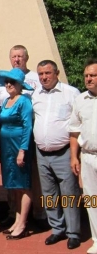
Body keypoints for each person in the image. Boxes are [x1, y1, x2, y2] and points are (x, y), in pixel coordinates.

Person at [0, 45, 46, 229]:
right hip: (7, 143)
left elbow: (28, 122)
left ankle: (35, 216)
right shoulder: (5, 92)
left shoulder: (33, 84)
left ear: (26, 57)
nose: (17, 59)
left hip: (22, 142)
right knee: (12, 181)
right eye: (14, 56)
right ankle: (14, 216)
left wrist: (23, 149)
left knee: (27, 181)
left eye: (20, 56)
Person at [32, 60, 81, 249]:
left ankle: (74, 233)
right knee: (49, 194)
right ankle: (57, 229)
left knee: (69, 194)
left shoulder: (71, 93)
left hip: (64, 152)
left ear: (57, 73)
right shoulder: (36, 94)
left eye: (47, 73)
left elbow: (78, 123)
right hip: (42, 153)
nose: (44, 77)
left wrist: (76, 155)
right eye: (41, 74)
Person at [0, 68, 33, 240]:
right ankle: (16, 220)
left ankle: (23, 223)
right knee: (14, 186)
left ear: (20, 85)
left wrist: (22, 150)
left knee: (23, 185)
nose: (9, 84)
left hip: (18, 146)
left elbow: (28, 127)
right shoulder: (7, 100)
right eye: (7, 82)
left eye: (13, 82)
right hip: (7, 147)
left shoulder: (24, 101)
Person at [69, 58, 97, 254]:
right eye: (86, 75)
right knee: (91, 200)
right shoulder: (79, 100)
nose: (88, 79)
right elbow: (74, 131)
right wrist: (74, 157)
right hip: (88, 156)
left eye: (93, 75)